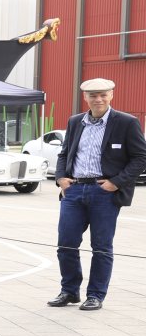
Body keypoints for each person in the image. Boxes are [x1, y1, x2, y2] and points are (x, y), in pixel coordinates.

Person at [49, 77, 146, 311]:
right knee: (66, 244)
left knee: (101, 246)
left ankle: (95, 295)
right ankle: (69, 291)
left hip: (105, 193)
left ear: (111, 95)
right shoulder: (75, 122)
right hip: (73, 191)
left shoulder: (126, 122)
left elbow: (141, 157)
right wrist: (61, 178)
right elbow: (64, 153)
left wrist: (116, 182)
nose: (98, 99)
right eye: (93, 95)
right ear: (86, 97)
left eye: (103, 94)